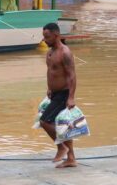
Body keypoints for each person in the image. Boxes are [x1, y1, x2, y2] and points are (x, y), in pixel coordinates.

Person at [38, 23, 78, 168]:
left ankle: (61, 147)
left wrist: (71, 97)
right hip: (54, 93)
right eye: (44, 36)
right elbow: (51, 72)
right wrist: (49, 88)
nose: (44, 40)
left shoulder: (65, 52)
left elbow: (72, 76)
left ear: (56, 35)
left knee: (45, 121)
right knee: (63, 126)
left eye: (47, 37)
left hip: (64, 94)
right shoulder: (50, 52)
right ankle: (71, 158)